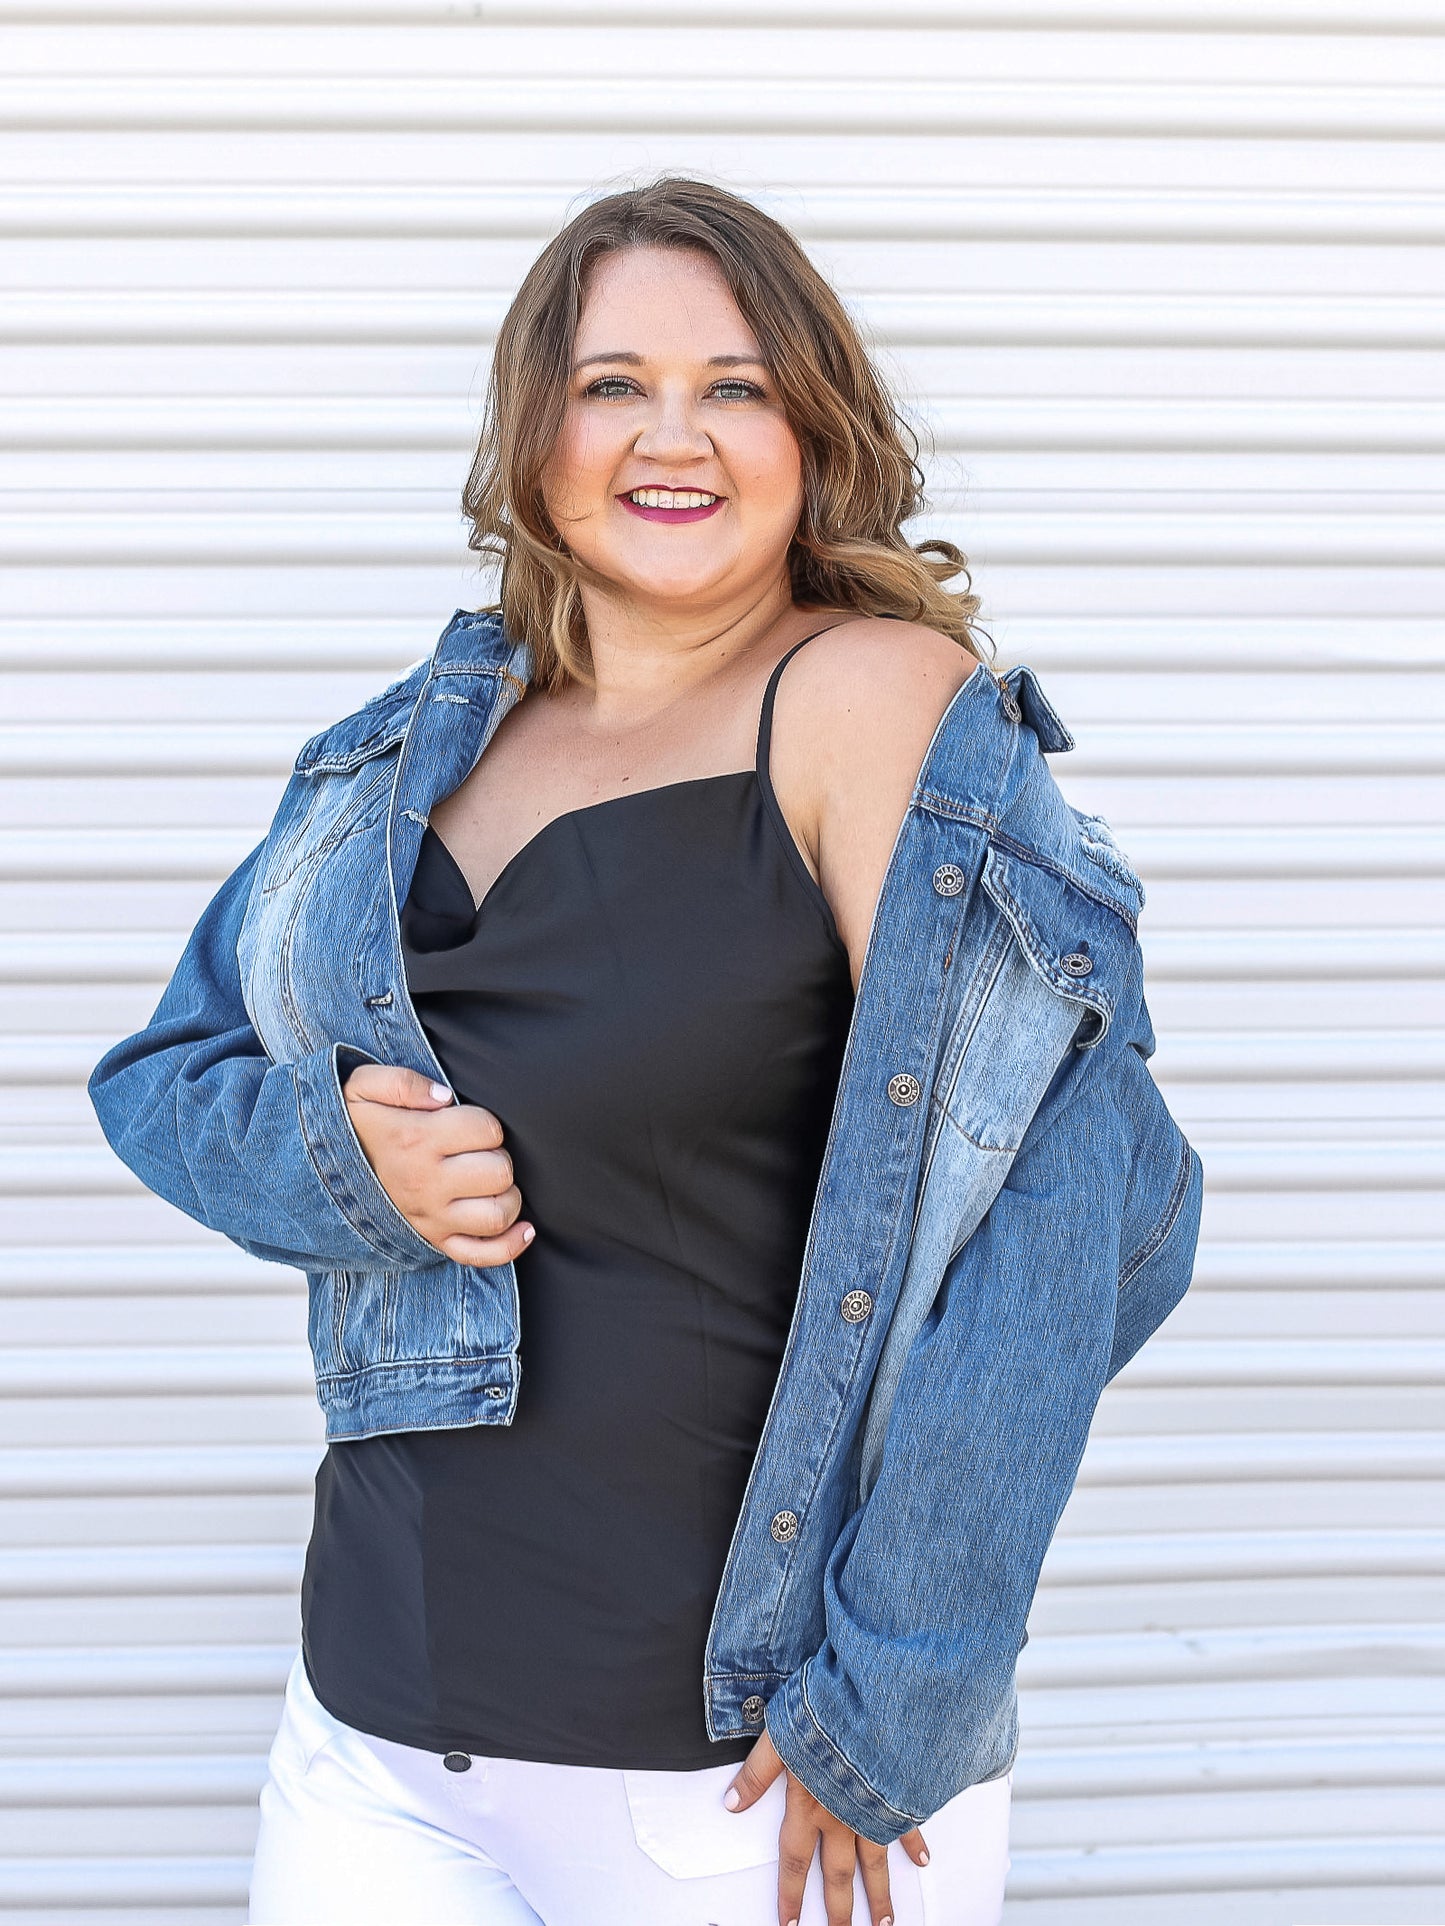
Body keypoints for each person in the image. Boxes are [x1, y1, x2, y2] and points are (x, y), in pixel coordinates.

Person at [88, 176, 1203, 1926]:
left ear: (811, 427)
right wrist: (342, 1162)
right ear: (533, 435)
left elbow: (1087, 1189)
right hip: (376, 1739)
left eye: (734, 386)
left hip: (747, 1781)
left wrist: (894, 1695)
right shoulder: (401, 755)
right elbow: (159, 1075)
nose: (668, 435)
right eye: (612, 383)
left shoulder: (868, 702)